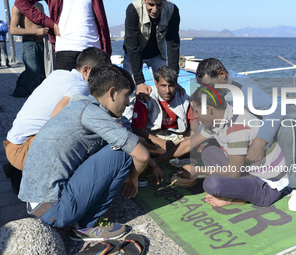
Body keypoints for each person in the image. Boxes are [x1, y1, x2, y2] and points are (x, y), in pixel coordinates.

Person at [18, 64, 150, 241]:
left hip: (37, 201)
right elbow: (142, 155)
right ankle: (86, 226)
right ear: (112, 93)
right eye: (126, 95)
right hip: (54, 210)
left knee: (113, 146)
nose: (127, 103)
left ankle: (79, 214)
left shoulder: (80, 103)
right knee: (123, 154)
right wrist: (132, 178)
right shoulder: (92, 114)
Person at [195, 58, 296, 211]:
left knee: (287, 125)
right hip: (243, 138)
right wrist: (203, 134)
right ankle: (242, 178)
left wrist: (260, 141)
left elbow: (278, 109)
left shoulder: (244, 88)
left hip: (263, 140)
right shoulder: (219, 88)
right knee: (208, 149)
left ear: (222, 74)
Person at [3, 47, 111, 194]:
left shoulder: (58, 74)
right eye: (100, 75)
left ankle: (18, 169)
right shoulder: (80, 86)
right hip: (22, 151)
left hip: (13, 142)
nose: (102, 80)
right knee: (86, 138)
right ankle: (29, 174)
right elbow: (56, 121)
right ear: (86, 70)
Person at [186, 88, 289, 207]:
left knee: (211, 184)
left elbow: (234, 172)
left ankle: (236, 199)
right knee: (208, 151)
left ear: (208, 109)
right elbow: (188, 144)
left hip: (268, 185)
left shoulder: (236, 128)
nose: (197, 117)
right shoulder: (220, 117)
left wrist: (197, 171)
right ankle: (241, 187)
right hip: (250, 169)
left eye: (197, 112)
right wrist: (161, 159)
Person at [121, 0, 181, 129]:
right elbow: (133, 47)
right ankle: (126, 127)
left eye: (159, 5)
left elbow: (173, 43)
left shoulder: (172, 10)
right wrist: (139, 82)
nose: (155, 10)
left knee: (167, 87)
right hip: (133, 54)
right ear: (143, 1)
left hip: (157, 53)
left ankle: (162, 124)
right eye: (151, 5)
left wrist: (174, 78)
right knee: (128, 90)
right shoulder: (133, 9)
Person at [14, 0, 112, 70]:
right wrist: (50, 24)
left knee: (97, 95)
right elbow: (21, 2)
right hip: (66, 47)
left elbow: (101, 20)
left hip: (93, 48)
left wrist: (106, 52)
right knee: (64, 94)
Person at [132, 66, 193, 156]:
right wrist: (161, 142)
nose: (167, 91)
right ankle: (175, 153)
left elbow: (192, 124)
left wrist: (189, 138)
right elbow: (137, 129)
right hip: (152, 137)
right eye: (163, 86)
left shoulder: (184, 98)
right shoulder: (145, 98)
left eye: (171, 86)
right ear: (156, 84)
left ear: (176, 84)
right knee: (137, 141)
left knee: (200, 139)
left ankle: (169, 153)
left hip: (177, 138)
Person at [10, 3, 48, 97]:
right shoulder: (18, 6)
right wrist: (35, 32)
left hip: (42, 44)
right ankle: (35, 103)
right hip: (29, 44)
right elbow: (13, 30)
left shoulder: (40, 5)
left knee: (45, 74)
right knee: (33, 74)